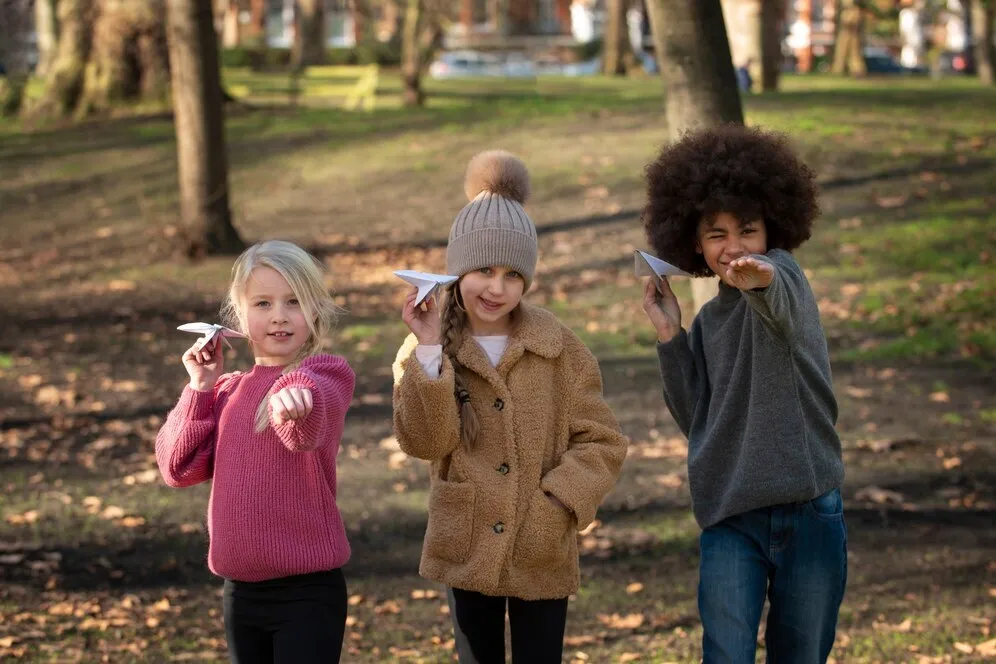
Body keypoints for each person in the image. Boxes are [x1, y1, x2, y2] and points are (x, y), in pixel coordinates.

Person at [393, 150, 628, 663]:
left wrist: (559, 503)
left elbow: (602, 440)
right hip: (466, 539)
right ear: (457, 271)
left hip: (539, 544)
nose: (496, 288)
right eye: (482, 270)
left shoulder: (557, 346)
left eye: (512, 274)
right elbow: (424, 442)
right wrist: (430, 349)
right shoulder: (427, 346)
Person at [641, 125, 847, 663]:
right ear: (693, 242)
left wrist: (762, 277)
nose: (734, 248)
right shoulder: (709, 323)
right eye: (717, 235)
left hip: (810, 514)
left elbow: (775, 291)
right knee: (726, 655)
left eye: (748, 231)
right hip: (731, 517)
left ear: (772, 230)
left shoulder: (788, 281)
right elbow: (697, 419)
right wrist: (670, 336)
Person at [156, 240, 355, 664]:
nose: (279, 315)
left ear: (316, 310)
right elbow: (178, 468)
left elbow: (303, 428)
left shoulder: (324, 373)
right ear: (239, 316)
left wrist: (295, 398)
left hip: (307, 594)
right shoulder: (228, 389)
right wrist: (200, 389)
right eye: (263, 303)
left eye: (294, 301)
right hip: (240, 593)